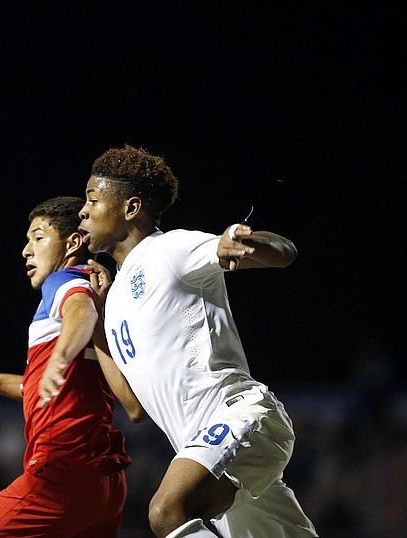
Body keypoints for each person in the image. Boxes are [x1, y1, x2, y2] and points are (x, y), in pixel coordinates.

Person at [62, 144, 319, 537]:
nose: (83, 210)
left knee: (167, 511)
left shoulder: (167, 250)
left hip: (239, 417)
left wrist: (246, 240)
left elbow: (284, 253)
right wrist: (97, 327)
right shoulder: (113, 304)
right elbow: (134, 408)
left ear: (131, 209)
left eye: (92, 199)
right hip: (204, 450)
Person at [0, 196, 142, 537]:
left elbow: (80, 310)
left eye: (38, 236)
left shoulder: (66, 281)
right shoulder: (102, 296)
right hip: (104, 484)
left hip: (60, 474)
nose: (26, 250)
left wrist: (59, 358)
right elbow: (61, 387)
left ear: (73, 242)